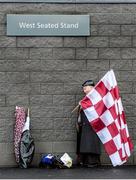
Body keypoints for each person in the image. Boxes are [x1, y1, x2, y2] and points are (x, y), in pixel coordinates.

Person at [76, 80, 101, 168]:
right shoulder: (87, 98)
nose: (84, 90)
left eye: (85, 88)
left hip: (92, 124)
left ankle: (93, 162)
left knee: (91, 143)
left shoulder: (95, 97)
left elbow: (95, 107)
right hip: (85, 124)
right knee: (86, 143)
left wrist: (83, 104)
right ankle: (86, 161)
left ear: (91, 87)